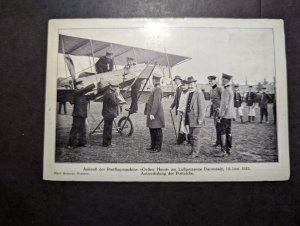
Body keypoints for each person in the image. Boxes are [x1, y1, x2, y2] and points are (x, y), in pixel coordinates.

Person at [67, 80, 97, 148]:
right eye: (81, 84)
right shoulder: (76, 92)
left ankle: (82, 143)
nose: (82, 85)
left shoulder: (81, 93)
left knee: (82, 129)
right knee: (75, 129)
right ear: (77, 86)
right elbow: (85, 90)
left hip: (82, 114)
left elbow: (88, 97)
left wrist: (94, 94)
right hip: (77, 114)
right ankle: (70, 144)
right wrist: (93, 84)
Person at [185, 76, 206, 158]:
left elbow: (202, 108)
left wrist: (200, 119)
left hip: (197, 119)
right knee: (191, 135)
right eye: (189, 84)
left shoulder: (199, 93)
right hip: (190, 119)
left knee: (195, 136)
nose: (190, 86)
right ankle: (192, 150)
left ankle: (195, 152)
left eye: (191, 84)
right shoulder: (189, 93)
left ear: (195, 84)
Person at [145, 73, 165, 153]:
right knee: (152, 129)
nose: (152, 81)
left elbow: (156, 102)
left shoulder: (157, 89)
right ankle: (153, 146)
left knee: (157, 130)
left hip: (156, 114)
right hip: (153, 113)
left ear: (154, 80)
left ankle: (157, 147)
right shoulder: (155, 88)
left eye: (153, 79)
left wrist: (152, 113)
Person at [218, 73, 234, 155]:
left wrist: (220, 116)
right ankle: (229, 149)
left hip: (224, 115)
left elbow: (225, 105)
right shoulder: (230, 89)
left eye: (223, 80)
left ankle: (223, 150)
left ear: (226, 81)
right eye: (222, 80)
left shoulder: (225, 90)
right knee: (229, 131)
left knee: (223, 132)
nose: (222, 81)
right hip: (230, 115)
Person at [102, 81, 121, 147]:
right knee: (108, 129)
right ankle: (106, 143)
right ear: (111, 87)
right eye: (115, 87)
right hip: (109, 113)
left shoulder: (108, 92)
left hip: (107, 113)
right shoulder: (110, 94)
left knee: (107, 128)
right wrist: (117, 95)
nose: (116, 88)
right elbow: (115, 103)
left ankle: (107, 143)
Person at [208, 75, 223, 147]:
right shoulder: (210, 90)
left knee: (220, 127)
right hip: (215, 111)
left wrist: (221, 109)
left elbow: (224, 100)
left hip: (220, 111)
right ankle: (218, 141)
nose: (210, 82)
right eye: (209, 81)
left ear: (215, 81)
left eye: (211, 81)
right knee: (216, 126)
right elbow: (212, 101)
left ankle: (221, 143)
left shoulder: (219, 89)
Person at [176, 80, 190, 145]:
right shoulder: (181, 92)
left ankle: (189, 140)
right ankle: (180, 139)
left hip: (186, 112)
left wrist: (185, 111)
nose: (183, 87)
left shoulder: (189, 93)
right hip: (180, 110)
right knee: (179, 125)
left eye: (184, 85)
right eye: (182, 85)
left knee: (186, 125)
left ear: (187, 85)